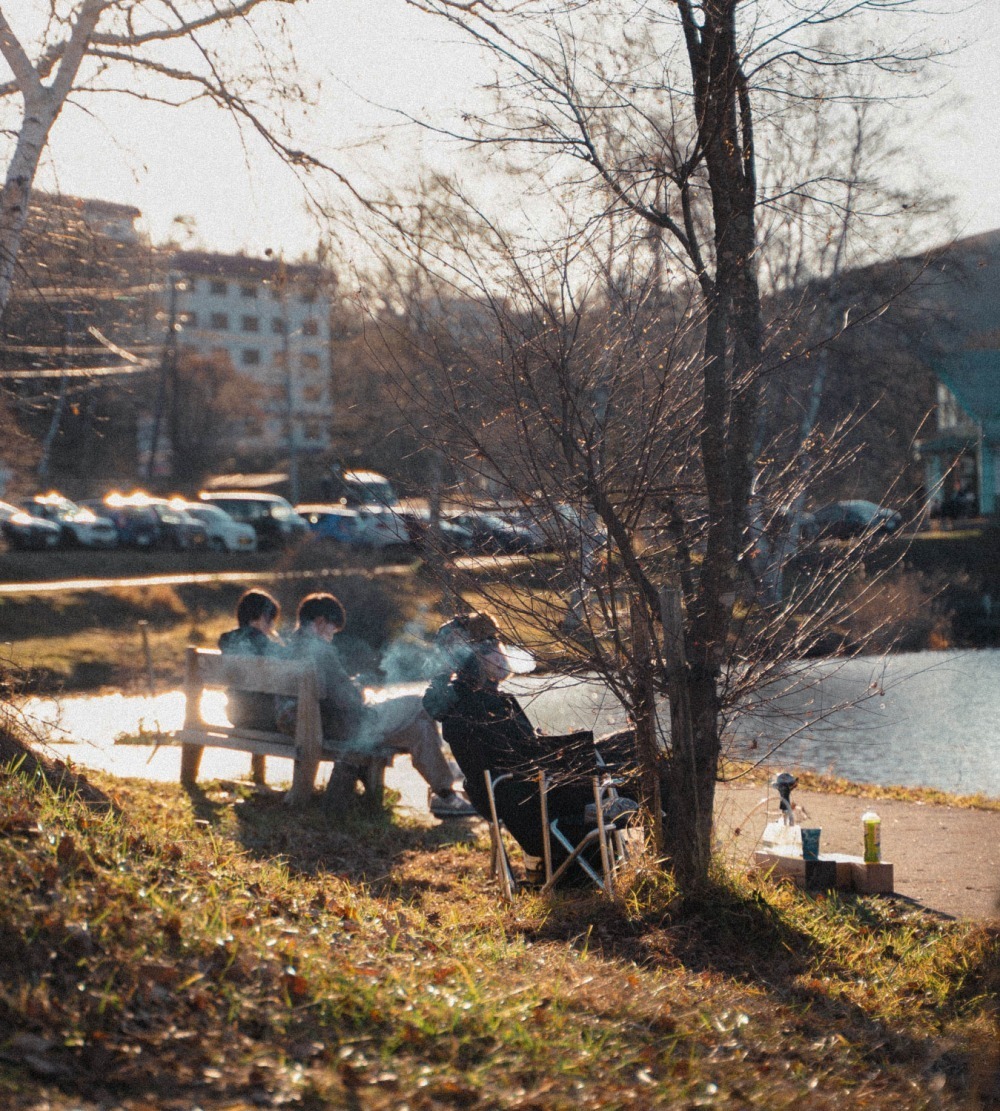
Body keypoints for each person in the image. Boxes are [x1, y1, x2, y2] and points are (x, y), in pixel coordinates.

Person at [423, 612, 638, 873]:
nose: (500, 652)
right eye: (489, 648)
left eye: (497, 644)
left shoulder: (474, 700)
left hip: (540, 794)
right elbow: (524, 761)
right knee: (639, 755)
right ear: (471, 660)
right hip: (545, 804)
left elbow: (522, 755)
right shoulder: (479, 707)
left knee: (630, 744)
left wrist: (566, 745)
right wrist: (577, 748)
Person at [284, 592, 475, 817]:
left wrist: (350, 686)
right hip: (349, 727)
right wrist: (359, 687)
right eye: (332, 631)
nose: (331, 637)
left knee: (419, 730)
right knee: (419, 704)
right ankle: (449, 777)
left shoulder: (289, 647)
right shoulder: (320, 651)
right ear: (320, 622)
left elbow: (332, 692)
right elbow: (349, 700)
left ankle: (446, 796)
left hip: (314, 725)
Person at [218, 588, 285, 731]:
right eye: (270, 620)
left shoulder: (228, 641)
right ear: (262, 617)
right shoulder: (264, 644)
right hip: (265, 719)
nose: (272, 625)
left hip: (235, 715)